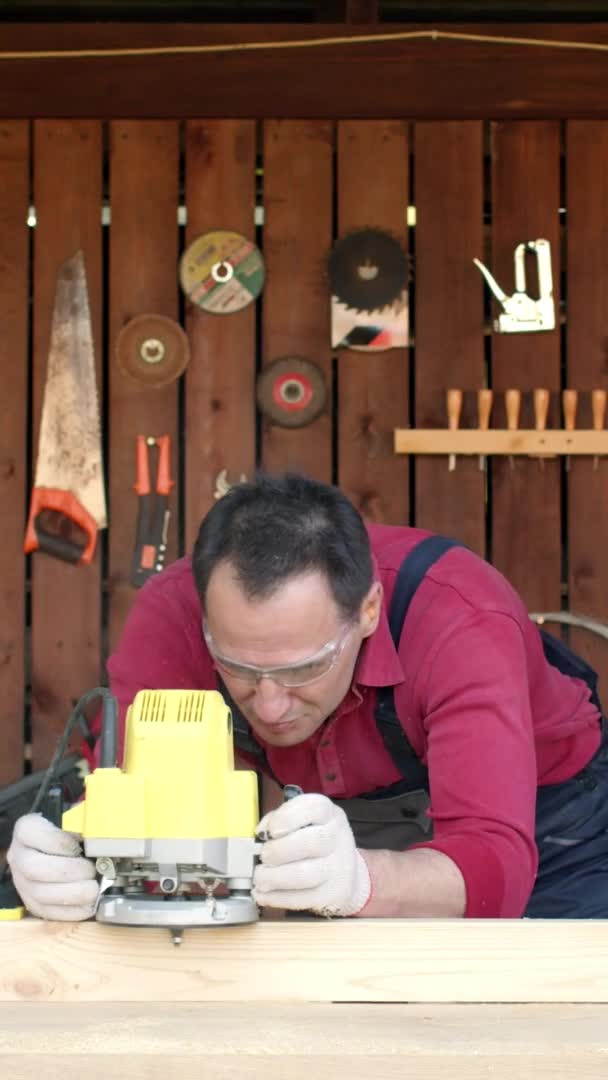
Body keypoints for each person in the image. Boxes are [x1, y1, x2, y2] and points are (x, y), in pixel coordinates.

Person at [8, 471, 608, 922]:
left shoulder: (458, 619)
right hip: (344, 834)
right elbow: (135, 803)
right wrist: (73, 864)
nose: (268, 706)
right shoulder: (172, 615)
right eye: (238, 667)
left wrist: (362, 882)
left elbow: (495, 864)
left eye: (304, 668)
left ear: (367, 610)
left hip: (549, 820)